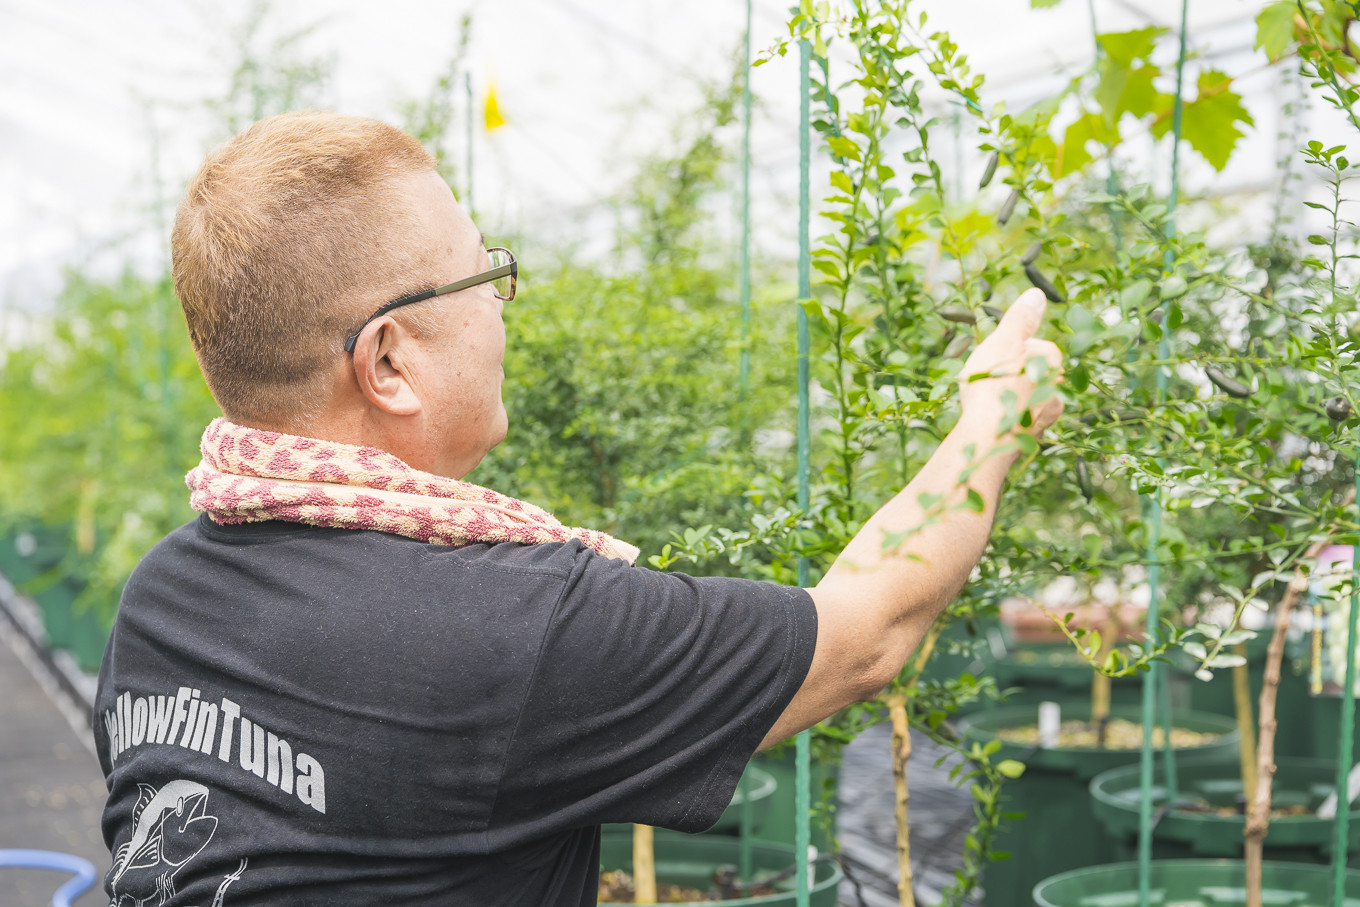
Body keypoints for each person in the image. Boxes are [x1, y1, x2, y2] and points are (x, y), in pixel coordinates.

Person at [93, 111, 1062, 906]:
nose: (503, 307)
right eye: (486, 276)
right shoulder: (505, 628)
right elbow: (866, 632)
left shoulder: (162, 600)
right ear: (388, 360)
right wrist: (993, 420)